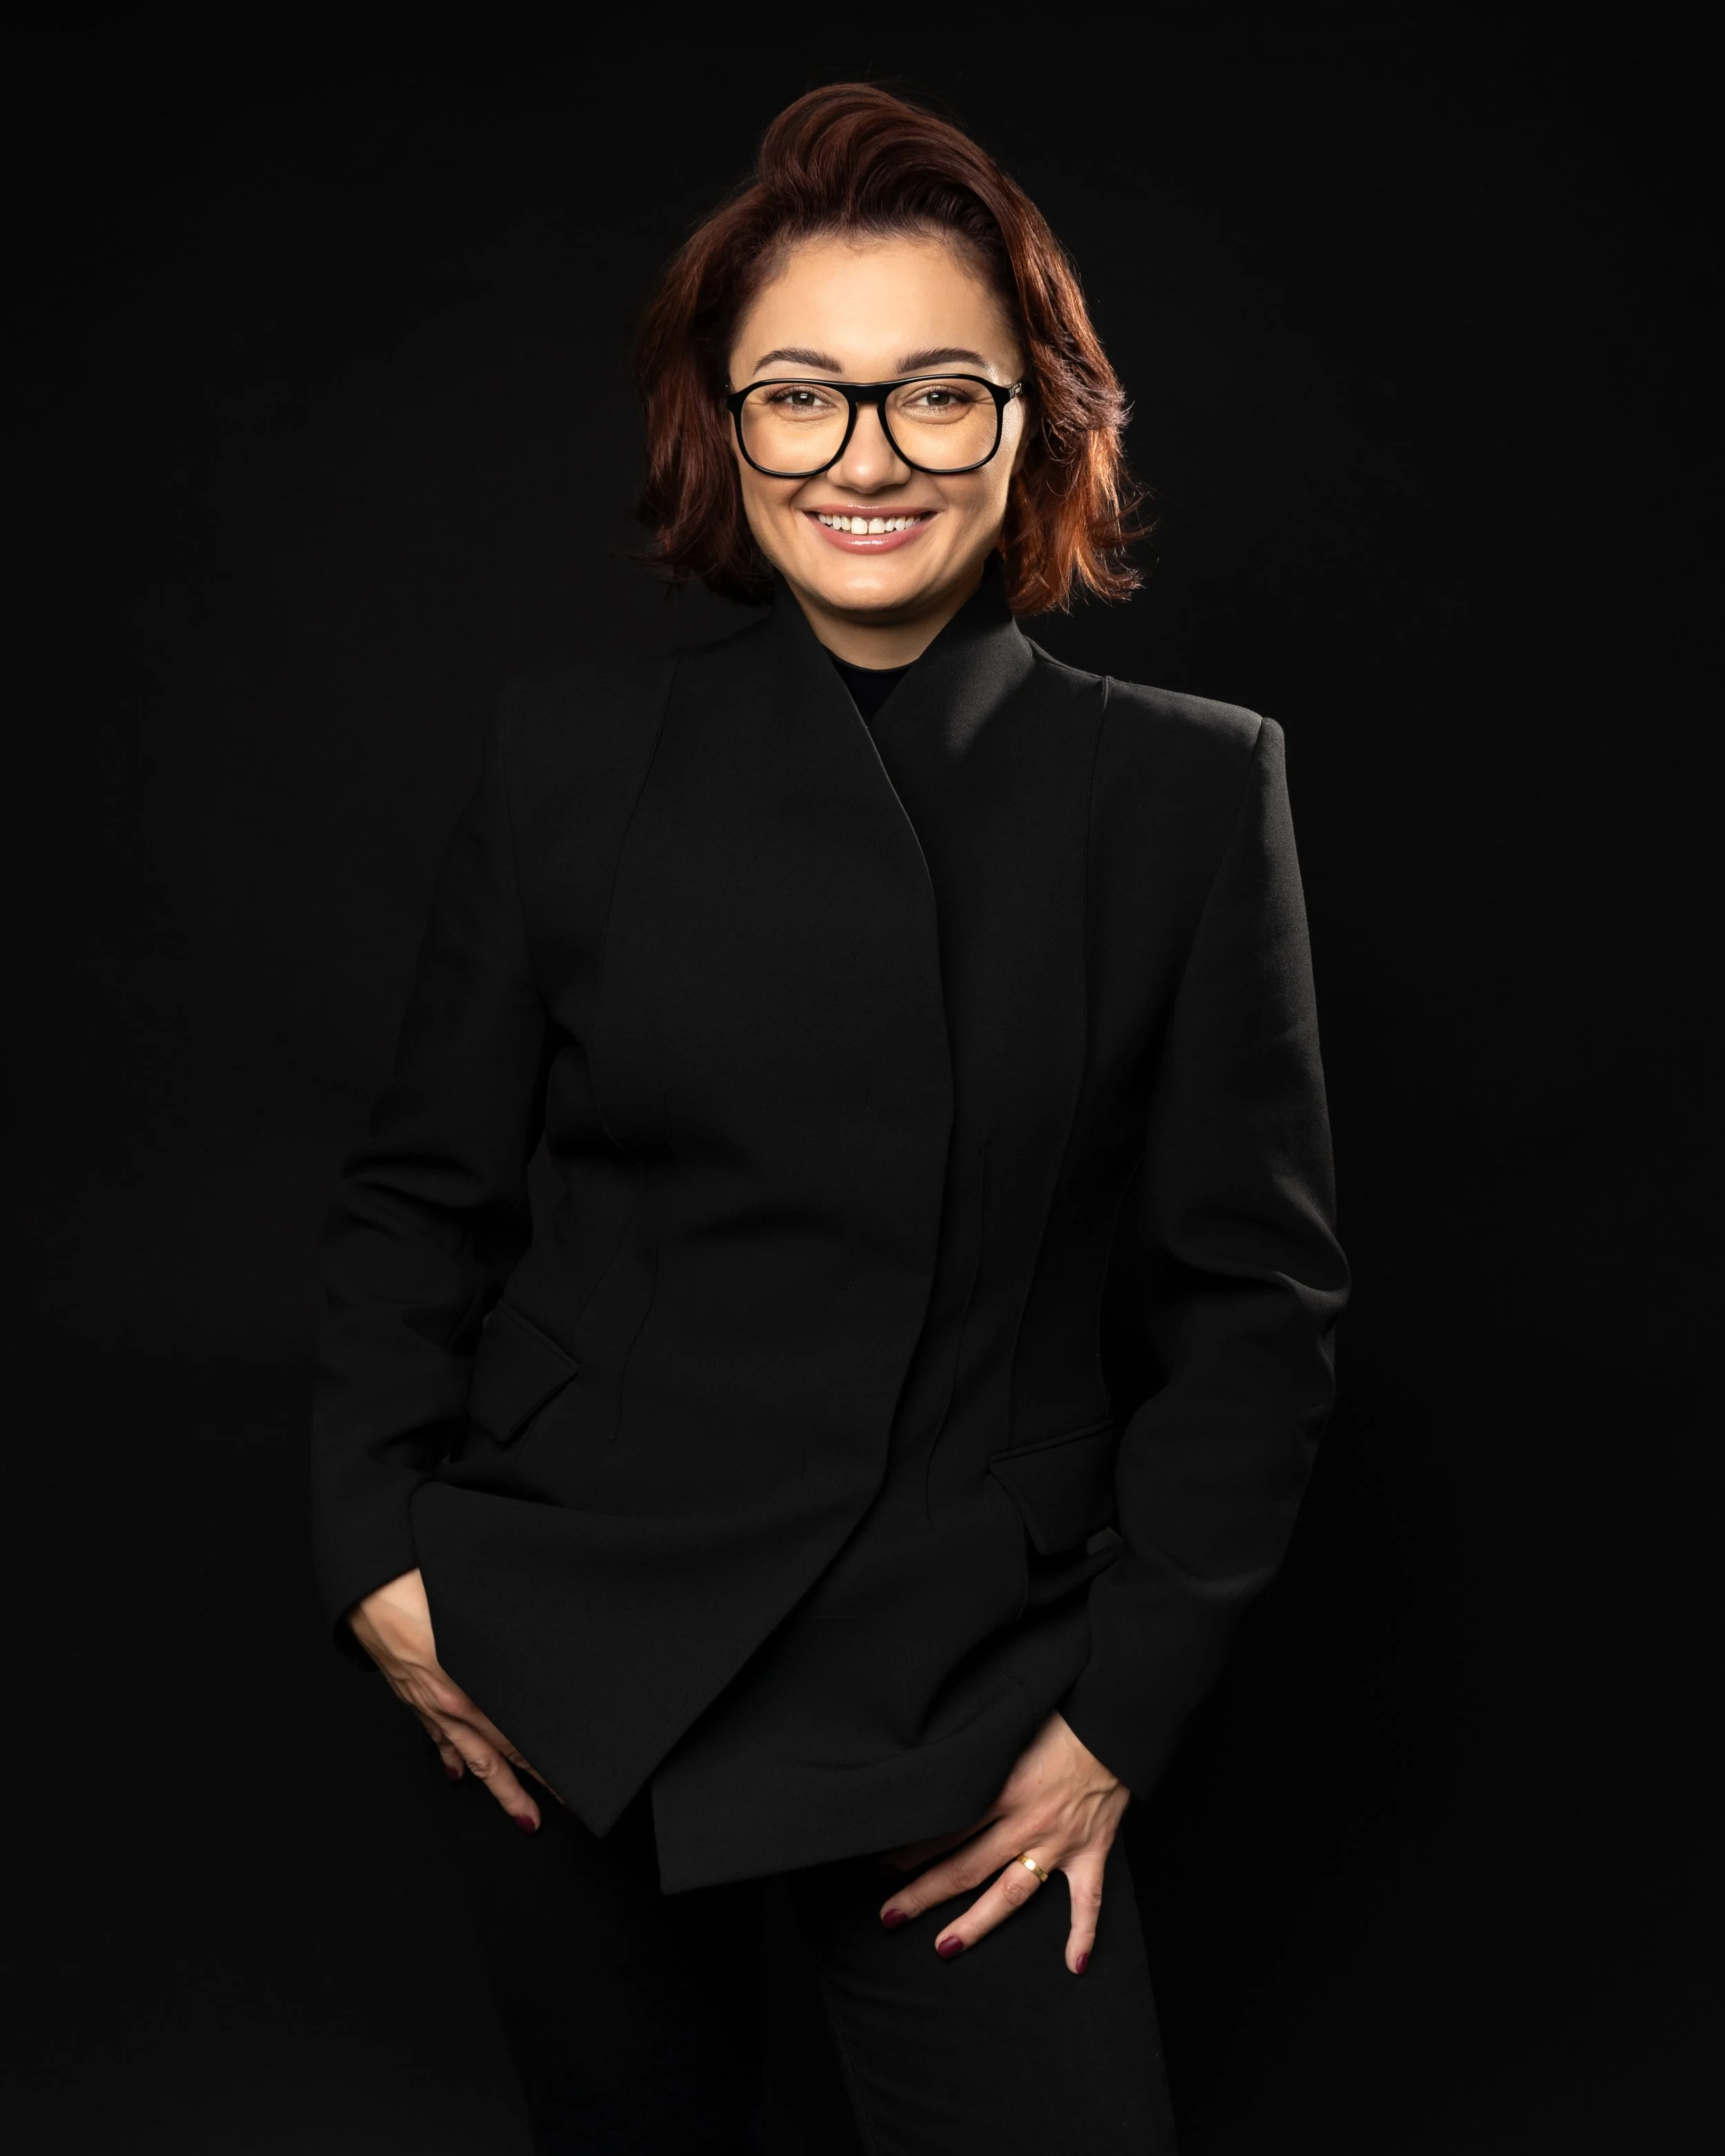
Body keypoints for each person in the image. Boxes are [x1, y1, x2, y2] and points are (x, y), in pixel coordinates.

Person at [309, 81, 1348, 2156]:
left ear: (1036, 423)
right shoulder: (564, 763)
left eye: (936, 394)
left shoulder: (1181, 790)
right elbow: (417, 1197)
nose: (863, 456)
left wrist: (1113, 1714)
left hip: (965, 1692)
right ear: (725, 425)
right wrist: (378, 1558)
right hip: (570, 1650)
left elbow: (1255, 1301)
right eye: (800, 395)